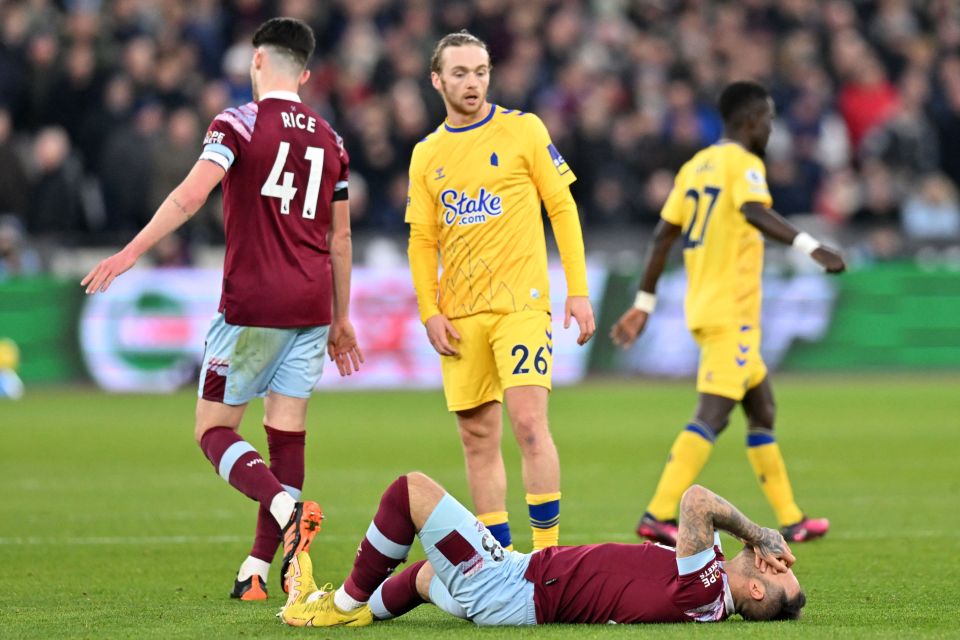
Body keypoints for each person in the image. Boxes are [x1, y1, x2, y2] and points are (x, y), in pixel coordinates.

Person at [81, 17, 363, 601]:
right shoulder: (333, 140)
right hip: (311, 306)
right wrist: (341, 318)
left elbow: (191, 196)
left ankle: (286, 508)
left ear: (256, 63)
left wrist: (130, 251)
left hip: (252, 305)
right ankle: (258, 572)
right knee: (286, 438)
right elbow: (341, 240)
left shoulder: (236, 122)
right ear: (305, 74)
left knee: (213, 430)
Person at [610, 81, 846, 546]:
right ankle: (657, 514)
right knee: (713, 415)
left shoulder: (695, 167)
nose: (771, 129)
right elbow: (755, 211)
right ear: (752, 119)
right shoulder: (743, 163)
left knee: (762, 408)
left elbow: (662, 236)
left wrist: (643, 304)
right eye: (769, 120)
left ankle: (792, 519)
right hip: (731, 313)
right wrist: (812, 246)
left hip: (707, 307)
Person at [405, 30, 596, 555]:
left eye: (481, 71)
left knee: (530, 425)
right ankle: (501, 561)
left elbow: (562, 207)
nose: (473, 82)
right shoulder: (427, 155)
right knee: (477, 439)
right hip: (461, 315)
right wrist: (429, 311)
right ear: (437, 80)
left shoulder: (525, 130)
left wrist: (577, 291)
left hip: (521, 305)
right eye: (461, 73)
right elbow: (422, 240)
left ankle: (547, 556)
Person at [278, 472, 804, 627]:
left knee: (408, 492)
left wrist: (759, 535)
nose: (776, 562)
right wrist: (749, 543)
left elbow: (695, 500)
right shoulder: (706, 585)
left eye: (780, 575)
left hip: (512, 587)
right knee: (423, 577)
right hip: (515, 584)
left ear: (755, 588)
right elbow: (703, 524)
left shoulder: (705, 589)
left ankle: (338, 608)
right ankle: (361, 615)